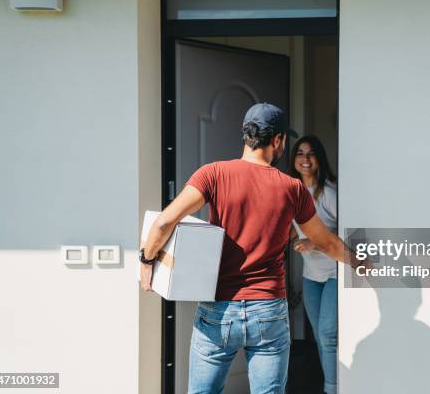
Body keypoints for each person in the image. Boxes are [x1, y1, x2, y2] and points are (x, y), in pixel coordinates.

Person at [139, 103, 364, 394]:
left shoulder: (213, 174)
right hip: (267, 309)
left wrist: (147, 261)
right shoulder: (291, 188)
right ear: (278, 140)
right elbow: (326, 243)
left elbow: (163, 224)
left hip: (218, 307)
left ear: (246, 136)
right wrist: (362, 262)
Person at [290, 136, 338, 394]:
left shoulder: (329, 193)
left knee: (328, 334)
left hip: (334, 273)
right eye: (300, 153)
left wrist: (313, 244)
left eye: (311, 154)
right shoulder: (293, 192)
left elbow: (347, 237)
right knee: (320, 337)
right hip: (312, 275)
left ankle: (332, 389)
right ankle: (333, 384)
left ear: (319, 159)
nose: (305, 159)